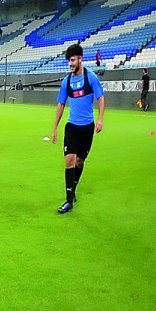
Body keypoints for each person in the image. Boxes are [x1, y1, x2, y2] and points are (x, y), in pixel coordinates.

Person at [50, 44, 105, 214]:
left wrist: (100, 119)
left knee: (80, 162)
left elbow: (101, 98)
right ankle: (68, 200)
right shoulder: (66, 81)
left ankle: (73, 190)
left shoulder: (91, 78)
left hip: (87, 128)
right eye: (69, 61)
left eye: (73, 60)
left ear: (80, 59)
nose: (70, 64)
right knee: (69, 160)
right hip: (72, 127)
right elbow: (60, 104)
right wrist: (55, 128)